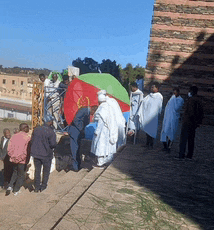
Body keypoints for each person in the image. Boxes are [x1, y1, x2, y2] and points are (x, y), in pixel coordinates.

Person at [67, 106, 98, 172]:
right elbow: (76, 120)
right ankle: (75, 167)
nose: (92, 115)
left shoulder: (87, 111)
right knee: (74, 150)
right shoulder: (84, 110)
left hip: (79, 133)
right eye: (93, 113)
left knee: (78, 150)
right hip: (75, 132)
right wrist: (82, 129)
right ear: (93, 110)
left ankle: (78, 166)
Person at [30, 115, 57, 192]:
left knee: (37, 170)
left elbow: (32, 141)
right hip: (46, 155)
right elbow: (53, 144)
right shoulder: (51, 132)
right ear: (50, 122)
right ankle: (43, 186)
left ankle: (36, 187)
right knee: (46, 171)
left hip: (36, 154)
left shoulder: (36, 130)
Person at [91, 93, 118, 168]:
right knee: (107, 147)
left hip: (102, 130)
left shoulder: (102, 108)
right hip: (109, 129)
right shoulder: (109, 107)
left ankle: (100, 163)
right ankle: (107, 160)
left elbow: (99, 121)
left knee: (101, 147)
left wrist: (97, 131)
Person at [178, 86, 203, 159]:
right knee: (191, 139)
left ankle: (181, 154)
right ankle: (189, 154)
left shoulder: (191, 100)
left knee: (183, 139)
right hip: (193, 123)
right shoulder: (198, 100)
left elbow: (191, 112)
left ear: (192, 91)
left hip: (188, 122)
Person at [5, 123, 31, 196]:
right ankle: (16, 190)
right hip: (22, 160)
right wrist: (21, 158)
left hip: (13, 159)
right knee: (21, 175)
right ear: (25, 128)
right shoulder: (27, 138)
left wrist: (13, 157)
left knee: (15, 172)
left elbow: (9, 149)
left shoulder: (14, 136)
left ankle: (10, 186)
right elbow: (26, 151)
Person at [138, 82, 163, 149]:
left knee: (152, 130)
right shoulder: (149, 95)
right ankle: (147, 143)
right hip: (148, 115)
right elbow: (144, 102)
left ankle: (151, 144)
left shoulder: (159, 96)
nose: (151, 88)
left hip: (153, 116)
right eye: (151, 87)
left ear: (157, 88)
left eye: (153, 87)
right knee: (148, 130)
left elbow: (159, 106)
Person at [160, 87, 184, 152]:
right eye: (173, 92)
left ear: (178, 92)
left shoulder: (180, 100)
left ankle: (169, 147)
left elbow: (176, 108)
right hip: (167, 118)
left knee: (171, 132)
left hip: (174, 118)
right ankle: (165, 146)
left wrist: (173, 99)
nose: (174, 94)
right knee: (164, 131)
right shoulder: (172, 98)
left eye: (175, 92)